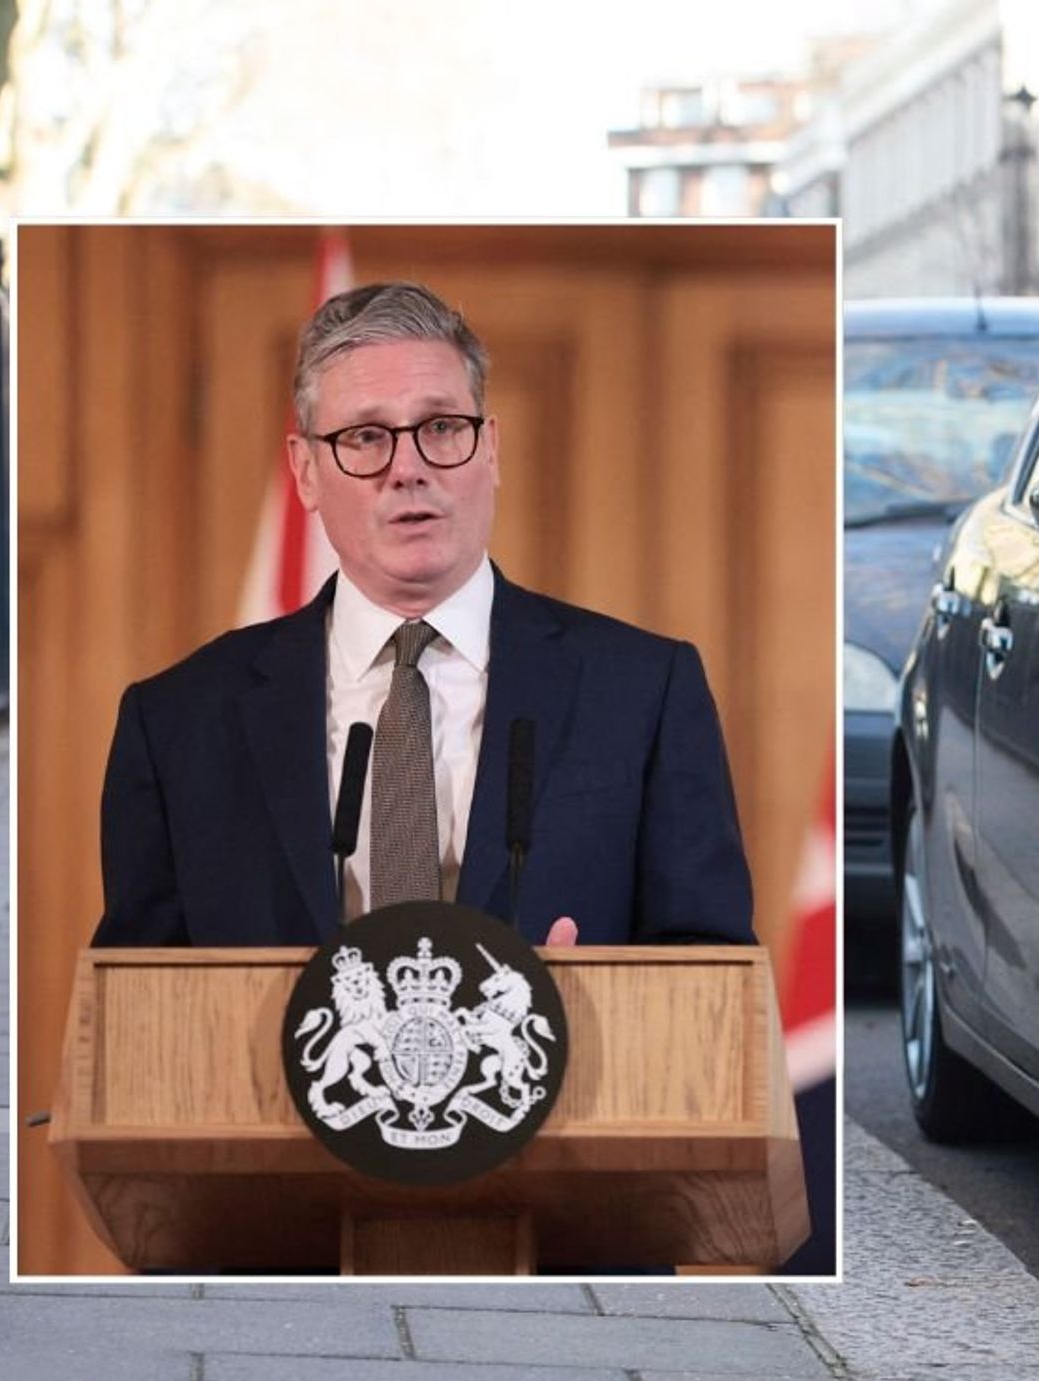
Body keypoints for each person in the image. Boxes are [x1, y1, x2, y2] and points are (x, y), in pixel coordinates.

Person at [92, 281, 754, 949]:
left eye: (440, 427)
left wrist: (595, 1006)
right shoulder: (179, 722)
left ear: (490, 448)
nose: (408, 468)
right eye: (366, 436)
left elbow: (713, 983)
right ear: (306, 471)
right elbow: (138, 1006)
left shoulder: (644, 693)